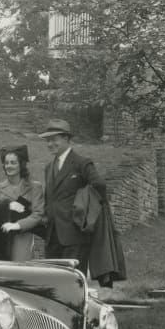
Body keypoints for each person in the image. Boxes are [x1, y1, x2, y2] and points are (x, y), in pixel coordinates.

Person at [38, 118, 126, 287]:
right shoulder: (49, 167)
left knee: (73, 284)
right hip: (52, 236)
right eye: (47, 140)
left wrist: (85, 214)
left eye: (54, 139)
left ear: (66, 138)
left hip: (75, 235)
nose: (50, 144)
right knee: (52, 282)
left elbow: (99, 186)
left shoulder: (81, 163)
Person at [0, 145, 46, 262]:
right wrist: (6, 205)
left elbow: (37, 214)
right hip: (1, 239)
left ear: (21, 165)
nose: (9, 166)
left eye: (13, 162)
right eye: (6, 163)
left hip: (23, 238)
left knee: (20, 272)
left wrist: (17, 225)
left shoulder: (35, 187)